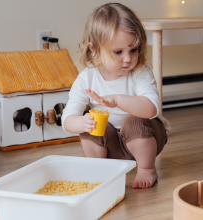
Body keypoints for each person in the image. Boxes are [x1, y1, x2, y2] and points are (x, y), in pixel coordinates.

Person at [61, 3, 171, 189]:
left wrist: (118, 100)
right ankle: (101, 168)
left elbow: (151, 108)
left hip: (145, 139)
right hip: (111, 145)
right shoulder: (87, 78)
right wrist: (82, 123)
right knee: (91, 124)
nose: (128, 58)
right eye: (118, 52)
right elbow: (67, 118)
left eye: (133, 50)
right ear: (94, 49)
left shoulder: (140, 73)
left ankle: (146, 169)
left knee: (133, 120)